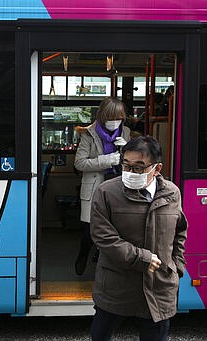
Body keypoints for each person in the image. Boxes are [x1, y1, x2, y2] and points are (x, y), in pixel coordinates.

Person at [89, 136, 188, 341]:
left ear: (157, 168)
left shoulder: (172, 193)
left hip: (158, 286)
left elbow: (180, 232)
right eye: (126, 165)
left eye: (139, 167)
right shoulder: (107, 192)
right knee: (101, 335)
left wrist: (176, 266)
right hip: (116, 285)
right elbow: (103, 236)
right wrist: (141, 258)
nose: (130, 173)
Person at [74, 97, 131, 275]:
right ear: (102, 116)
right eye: (111, 118)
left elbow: (135, 162)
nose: (115, 122)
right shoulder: (88, 134)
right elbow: (79, 163)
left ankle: (103, 259)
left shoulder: (126, 132)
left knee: (115, 227)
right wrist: (106, 160)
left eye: (119, 118)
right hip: (95, 186)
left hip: (119, 187)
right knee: (90, 228)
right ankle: (83, 254)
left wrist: (128, 148)